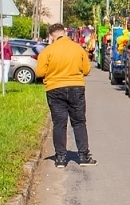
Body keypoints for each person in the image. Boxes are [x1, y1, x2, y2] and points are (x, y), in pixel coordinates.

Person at [35, 27, 95, 165]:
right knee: (79, 122)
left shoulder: (47, 51)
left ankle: (61, 158)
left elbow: (39, 72)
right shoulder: (78, 48)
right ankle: (84, 156)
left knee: (59, 123)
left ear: (51, 36)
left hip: (55, 89)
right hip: (76, 87)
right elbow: (86, 69)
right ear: (65, 33)